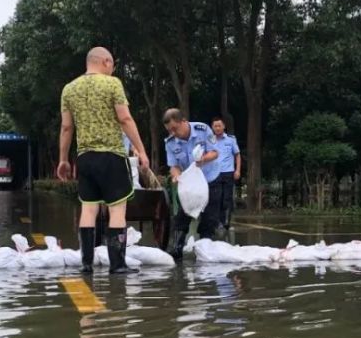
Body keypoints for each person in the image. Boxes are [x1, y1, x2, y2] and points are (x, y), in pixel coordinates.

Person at [57, 46, 150, 275]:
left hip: (85, 158)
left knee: (89, 210)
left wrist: (63, 160)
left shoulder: (69, 89)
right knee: (117, 210)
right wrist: (140, 149)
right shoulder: (112, 84)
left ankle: (86, 263)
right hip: (111, 156)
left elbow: (67, 127)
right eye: (112, 65)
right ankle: (117, 264)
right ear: (106, 62)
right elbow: (125, 118)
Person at [163, 108, 220, 259]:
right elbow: (173, 166)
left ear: (183, 121)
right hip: (189, 185)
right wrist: (176, 176)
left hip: (210, 179)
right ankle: (176, 250)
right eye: (170, 131)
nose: (173, 133)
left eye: (175, 129)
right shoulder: (169, 143)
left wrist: (203, 159)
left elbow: (215, 152)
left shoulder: (203, 129)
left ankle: (205, 251)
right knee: (182, 216)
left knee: (209, 219)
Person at [210, 117, 241, 235]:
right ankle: (218, 222)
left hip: (228, 172)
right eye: (215, 126)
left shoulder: (231, 140)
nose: (217, 128)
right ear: (212, 128)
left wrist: (237, 170)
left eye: (219, 126)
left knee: (227, 198)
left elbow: (237, 155)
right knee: (216, 198)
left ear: (224, 126)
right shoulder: (210, 140)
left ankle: (226, 222)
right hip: (214, 173)